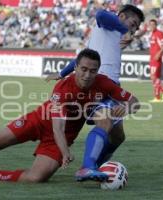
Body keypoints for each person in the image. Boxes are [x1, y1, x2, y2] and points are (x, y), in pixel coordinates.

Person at [0, 49, 140, 183]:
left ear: (97, 70)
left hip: (61, 136)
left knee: (36, 178)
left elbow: (134, 102)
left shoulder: (104, 83)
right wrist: (65, 153)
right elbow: (58, 127)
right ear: (76, 67)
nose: (88, 75)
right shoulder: (63, 88)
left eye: (92, 70)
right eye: (83, 69)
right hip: (40, 121)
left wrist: (126, 109)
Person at [45, 4, 144, 181]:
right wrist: (125, 30)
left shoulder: (117, 34)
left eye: (136, 27)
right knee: (104, 121)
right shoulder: (106, 24)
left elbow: (81, 57)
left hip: (112, 89)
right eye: (133, 23)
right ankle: (87, 167)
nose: (134, 28)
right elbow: (100, 14)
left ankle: (96, 166)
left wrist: (62, 73)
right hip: (96, 83)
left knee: (118, 136)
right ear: (121, 16)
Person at [148, 19, 163, 103]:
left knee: (153, 77)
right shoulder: (152, 34)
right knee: (156, 78)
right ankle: (157, 97)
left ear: (156, 25)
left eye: (153, 25)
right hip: (152, 58)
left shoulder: (159, 33)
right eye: (150, 25)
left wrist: (158, 54)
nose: (151, 26)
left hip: (156, 59)